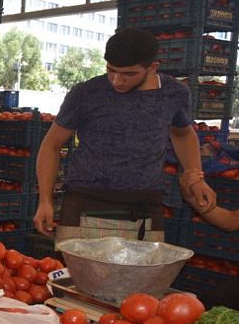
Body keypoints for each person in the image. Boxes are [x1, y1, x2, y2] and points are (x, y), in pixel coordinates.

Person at [33, 27, 216, 243]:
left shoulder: (174, 93)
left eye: (129, 74)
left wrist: (196, 177)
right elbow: (51, 145)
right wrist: (45, 200)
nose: (117, 81)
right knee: (82, 276)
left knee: (143, 275)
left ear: (152, 67)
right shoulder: (86, 94)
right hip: (84, 204)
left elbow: (183, 134)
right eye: (111, 70)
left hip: (145, 207)